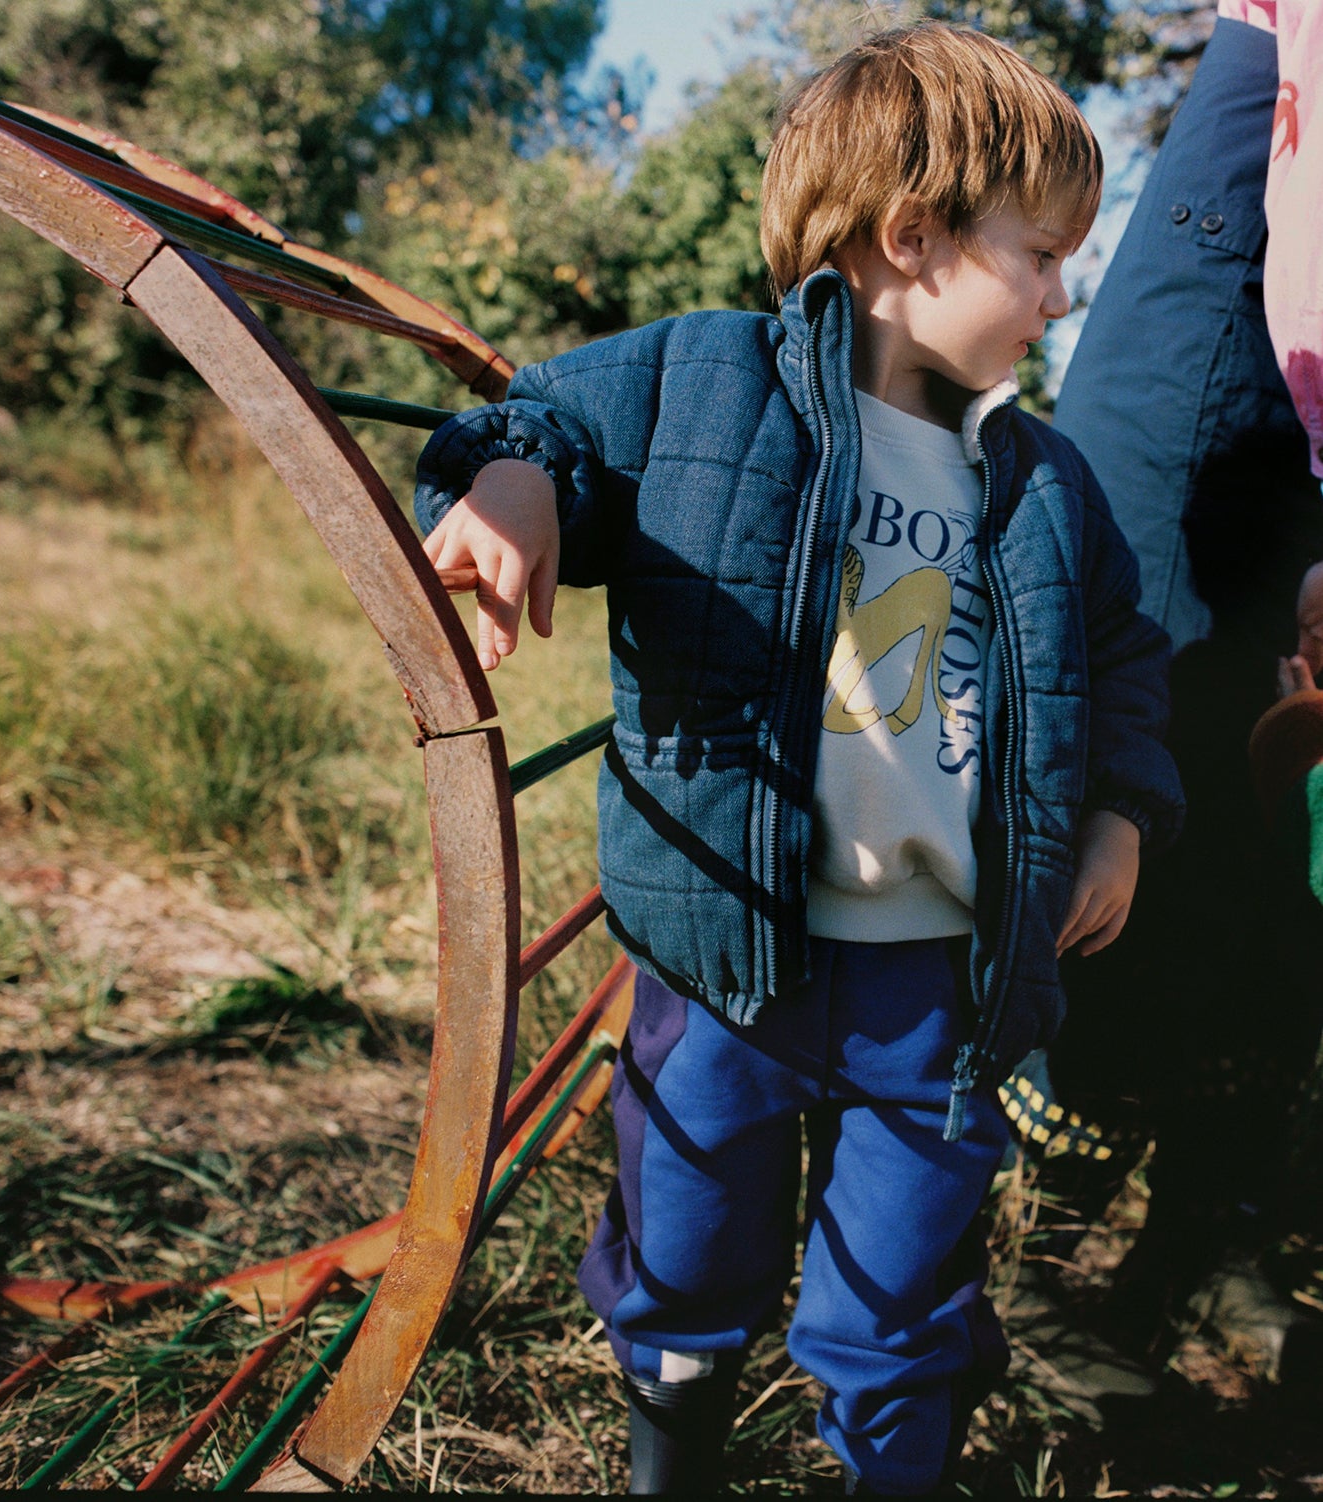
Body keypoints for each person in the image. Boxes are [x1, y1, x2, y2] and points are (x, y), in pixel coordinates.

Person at [414, 23, 1183, 1495]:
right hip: (723, 966)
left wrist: (1122, 812)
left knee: (899, 1288)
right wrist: (512, 484)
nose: (1058, 291)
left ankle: (890, 1459)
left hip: (938, 980)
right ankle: (674, 1451)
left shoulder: (1040, 479)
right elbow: (537, 421)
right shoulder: (703, 380)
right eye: (1038, 252)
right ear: (911, 237)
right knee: (687, 1234)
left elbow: (1121, 657)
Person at [1047, 0, 1323, 1377]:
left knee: (1291, 794)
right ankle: (1028, 1254)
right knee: (1143, 723)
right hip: (1249, 265)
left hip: (1306, 361)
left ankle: (1208, 1234)